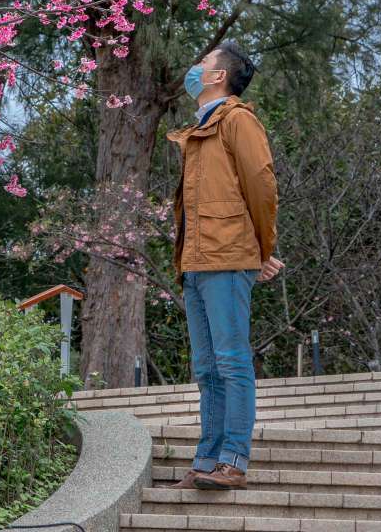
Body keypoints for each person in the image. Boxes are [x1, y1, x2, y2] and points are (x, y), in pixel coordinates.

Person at [166, 40, 282, 491]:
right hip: (195, 260)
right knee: (206, 368)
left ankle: (233, 459)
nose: (194, 68)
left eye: (203, 63)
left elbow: (261, 185)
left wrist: (261, 248)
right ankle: (206, 461)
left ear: (218, 76)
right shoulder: (201, 127)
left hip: (227, 257)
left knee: (232, 363)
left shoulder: (237, 120)